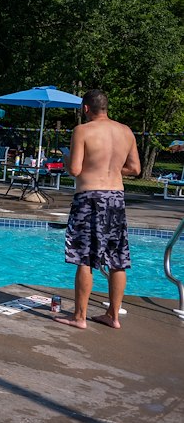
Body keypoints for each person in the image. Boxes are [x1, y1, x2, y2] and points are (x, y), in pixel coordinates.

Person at [56, 89, 140, 330]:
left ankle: (79, 317)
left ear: (85, 108)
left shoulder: (82, 130)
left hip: (89, 198)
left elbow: (74, 169)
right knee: (117, 259)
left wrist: (64, 159)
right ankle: (113, 316)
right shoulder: (126, 131)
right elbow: (135, 168)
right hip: (116, 198)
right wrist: (110, 169)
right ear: (106, 107)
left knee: (84, 257)